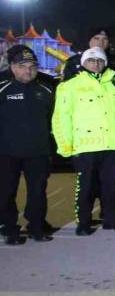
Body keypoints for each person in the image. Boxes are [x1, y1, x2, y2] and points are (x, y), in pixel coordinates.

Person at [52, 47, 115, 235]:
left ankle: (112, 219)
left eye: (100, 60)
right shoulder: (69, 86)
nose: (96, 64)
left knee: (111, 186)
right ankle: (83, 222)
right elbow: (61, 118)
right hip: (85, 146)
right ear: (83, 63)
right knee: (86, 187)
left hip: (113, 144)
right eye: (91, 60)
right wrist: (66, 146)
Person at [0, 47, 55, 244]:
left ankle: (36, 227)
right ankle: (9, 228)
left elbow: (55, 120)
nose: (28, 71)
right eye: (22, 66)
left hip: (38, 151)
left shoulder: (47, 89)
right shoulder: (3, 88)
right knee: (5, 192)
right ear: (13, 67)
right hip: (6, 152)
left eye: (32, 66)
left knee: (38, 192)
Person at [62, 27, 115, 91]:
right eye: (96, 38)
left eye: (105, 39)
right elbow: (65, 88)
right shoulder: (74, 62)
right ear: (89, 40)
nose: (100, 42)